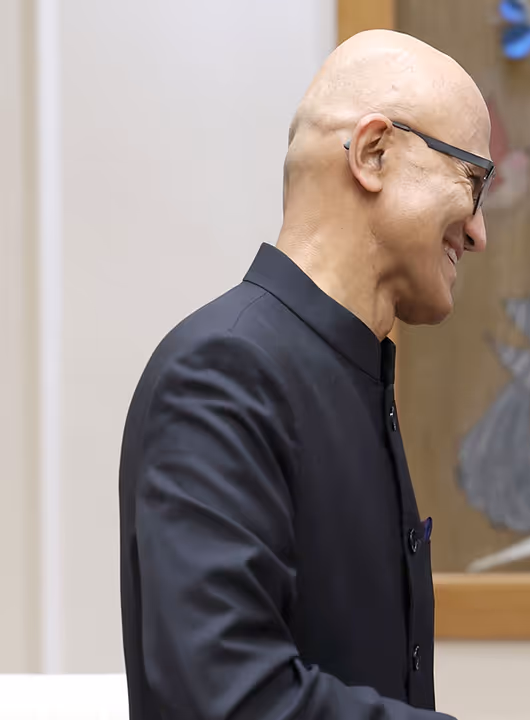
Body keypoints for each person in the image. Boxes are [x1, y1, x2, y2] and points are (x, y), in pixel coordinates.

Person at [118, 29, 493, 719]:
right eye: (472, 180)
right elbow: (227, 697)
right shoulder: (223, 373)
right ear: (374, 154)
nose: (477, 231)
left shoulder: (351, 374)